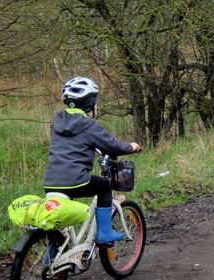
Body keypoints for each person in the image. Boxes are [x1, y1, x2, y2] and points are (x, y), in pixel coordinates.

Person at [43, 77, 142, 244]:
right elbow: (113, 146)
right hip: (75, 181)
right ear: (90, 103)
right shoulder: (87, 124)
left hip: (51, 182)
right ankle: (104, 233)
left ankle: (53, 260)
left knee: (59, 223)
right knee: (104, 185)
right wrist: (131, 147)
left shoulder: (57, 121)